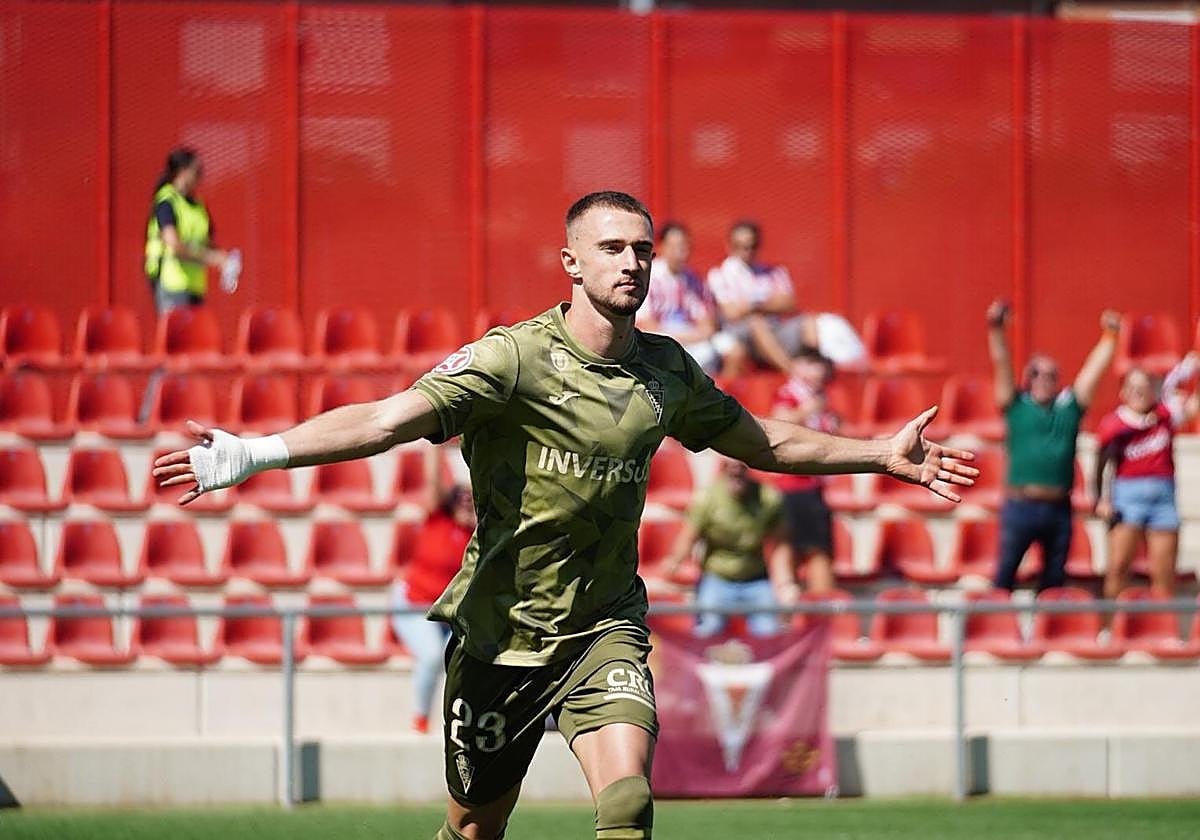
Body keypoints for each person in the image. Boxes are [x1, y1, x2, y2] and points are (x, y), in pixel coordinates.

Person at [154, 191, 977, 840]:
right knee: (476, 824)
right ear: (571, 262)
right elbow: (383, 420)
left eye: (643, 251)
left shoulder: (667, 372)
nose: (632, 263)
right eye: (613, 248)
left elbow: (762, 442)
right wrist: (249, 453)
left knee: (627, 803)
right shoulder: (511, 359)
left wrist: (876, 452)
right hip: (499, 632)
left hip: (603, 628)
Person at [987, 299, 1120, 592]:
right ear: (1027, 378)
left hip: (1058, 507)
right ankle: (992, 629)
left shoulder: (1068, 409)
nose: (1044, 380)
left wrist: (1110, 338)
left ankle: (1047, 633)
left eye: (1051, 375)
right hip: (1021, 505)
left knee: (1054, 582)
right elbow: (1001, 363)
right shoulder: (1016, 406)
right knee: (1004, 576)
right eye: (1037, 374)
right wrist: (996, 330)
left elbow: (1091, 373)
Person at [1094, 353, 1199, 600]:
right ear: (1123, 392)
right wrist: (1101, 498)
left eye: (1145, 387)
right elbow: (1101, 464)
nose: (1139, 393)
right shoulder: (1115, 423)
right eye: (1133, 388)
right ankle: (1110, 628)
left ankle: (1163, 629)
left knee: (1164, 574)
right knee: (1118, 568)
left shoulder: (1165, 415)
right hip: (1127, 496)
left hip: (1163, 498)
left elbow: (1193, 406)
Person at [706, 220, 866, 373]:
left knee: (810, 322)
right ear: (729, 246)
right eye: (739, 246)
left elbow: (789, 303)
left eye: (751, 246)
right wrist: (768, 303)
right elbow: (732, 313)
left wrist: (752, 305)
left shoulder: (773, 271)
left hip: (776, 330)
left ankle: (824, 370)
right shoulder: (719, 275)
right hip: (740, 336)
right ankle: (792, 373)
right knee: (757, 323)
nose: (746, 251)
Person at [660, 458, 790, 637]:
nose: (736, 471)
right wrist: (674, 563)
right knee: (708, 628)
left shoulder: (769, 498)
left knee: (768, 631)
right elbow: (689, 536)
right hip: (717, 578)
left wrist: (785, 583)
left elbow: (780, 544)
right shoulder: (708, 498)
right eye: (731, 466)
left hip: (756, 578)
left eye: (741, 467)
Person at [393, 479, 475, 734]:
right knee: (430, 656)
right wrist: (433, 441)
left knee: (471, 662)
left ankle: (464, 723)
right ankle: (420, 719)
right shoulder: (438, 519)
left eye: (471, 500)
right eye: (461, 498)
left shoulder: (477, 536)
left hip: (449, 614)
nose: (466, 503)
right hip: (414, 605)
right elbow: (433, 479)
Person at [769, 348, 839, 598]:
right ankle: (808, 601)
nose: (818, 371)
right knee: (807, 548)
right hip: (794, 483)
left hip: (813, 484)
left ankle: (816, 602)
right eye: (811, 364)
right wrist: (809, 410)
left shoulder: (819, 398)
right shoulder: (791, 395)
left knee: (813, 547)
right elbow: (781, 422)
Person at [636, 223, 745, 376]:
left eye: (684, 245)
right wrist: (681, 338)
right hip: (660, 336)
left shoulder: (693, 279)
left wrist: (695, 337)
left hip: (692, 335)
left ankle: (719, 395)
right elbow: (645, 323)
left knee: (733, 350)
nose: (681, 251)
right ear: (662, 247)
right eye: (675, 246)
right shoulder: (650, 276)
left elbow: (707, 324)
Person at [144, 147, 234, 313]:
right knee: (178, 337)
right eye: (197, 170)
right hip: (172, 283)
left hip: (195, 286)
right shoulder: (167, 202)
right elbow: (175, 246)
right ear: (183, 172)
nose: (202, 175)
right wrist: (213, 258)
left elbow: (207, 242)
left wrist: (226, 259)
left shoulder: (198, 205)